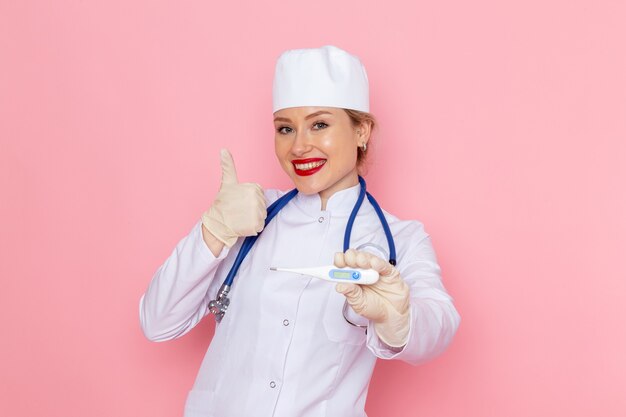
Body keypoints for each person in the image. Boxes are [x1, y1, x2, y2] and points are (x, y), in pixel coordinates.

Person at [139, 45, 460, 417]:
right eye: (285, 129)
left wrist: (398, 319)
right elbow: (157, 322)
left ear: (362, 131)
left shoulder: (400, 239)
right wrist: (213, 230)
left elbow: (440, 325)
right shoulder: (246, 216)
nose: (299, 146)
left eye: (319, 125)